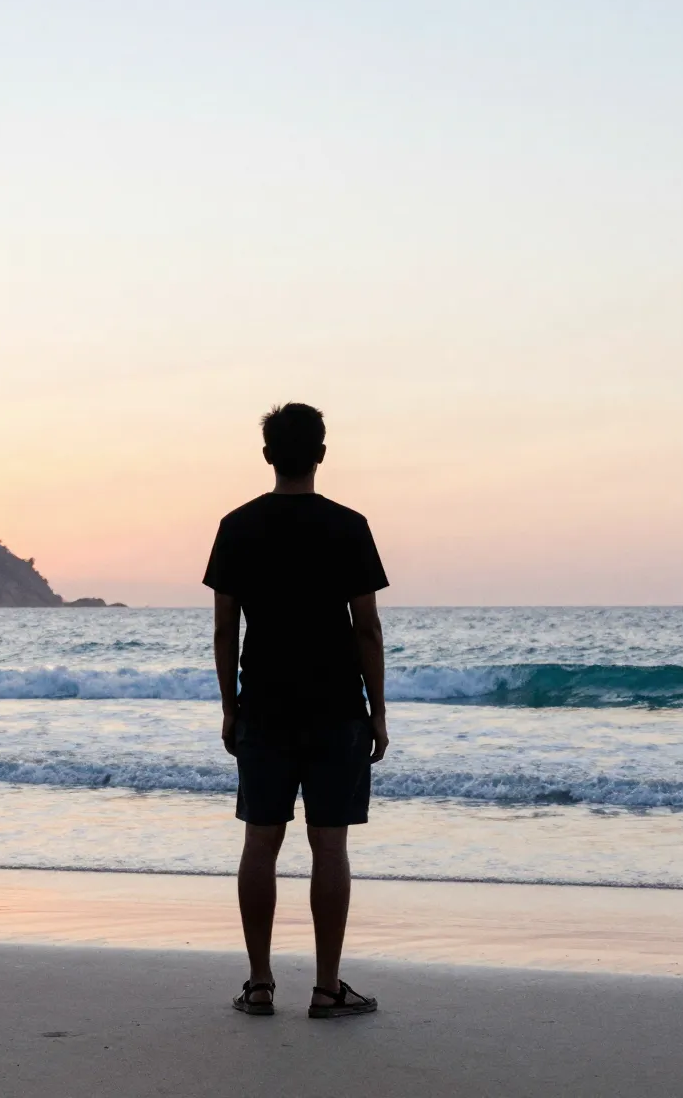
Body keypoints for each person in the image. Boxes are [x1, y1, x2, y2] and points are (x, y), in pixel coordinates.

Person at [203, 402, 388, 1020]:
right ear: (322, 453)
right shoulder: (348, 525)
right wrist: (378, 711)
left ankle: (259, 984)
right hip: (336, 706)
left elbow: (225, 630)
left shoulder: (237, 525)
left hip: (264, 704)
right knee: (329, 846)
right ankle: (327, 988)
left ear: (267, 456)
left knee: (261, 842)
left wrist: (230, 706)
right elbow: (366, 629)